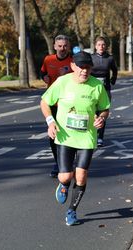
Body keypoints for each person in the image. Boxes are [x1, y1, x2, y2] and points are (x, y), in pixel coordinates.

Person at [40, 51, 110, 226]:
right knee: (65, 176)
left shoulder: (97, 86)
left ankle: (72, 211)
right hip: (65, 137)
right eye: (81, 67)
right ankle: (63, 185)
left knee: (81, 176)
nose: (84, 71)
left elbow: (105, 108)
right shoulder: (62, 82)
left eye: (88, 68)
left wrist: (101, 117)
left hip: (87, 137)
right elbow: (44, 102)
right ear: (73, 66)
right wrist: (50, 122)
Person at [40, 35, 73, 178]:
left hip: (69, 103)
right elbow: (43, 72)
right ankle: (58, 162)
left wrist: (68, 75)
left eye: (65, 46)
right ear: (54, 46)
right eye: (59, 46)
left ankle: (67, 161)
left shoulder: (73, 61)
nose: (62, 49)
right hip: (53, 102)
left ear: (68, 46)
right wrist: (44, 78)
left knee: (69, 133)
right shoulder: (49, 59)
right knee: (53, 133)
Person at [91, 36, 118, 147]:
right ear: (95, 46)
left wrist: (113, 80)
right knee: (92, 112)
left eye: (103, 45)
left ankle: (100, 137)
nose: (101, 47)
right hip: (92, 89)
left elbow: (115, 70)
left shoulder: (109, 58)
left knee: (102, 113)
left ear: (105, 46)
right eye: (98, 45)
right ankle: (92, 135)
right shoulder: (91, 57)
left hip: (105, 89)